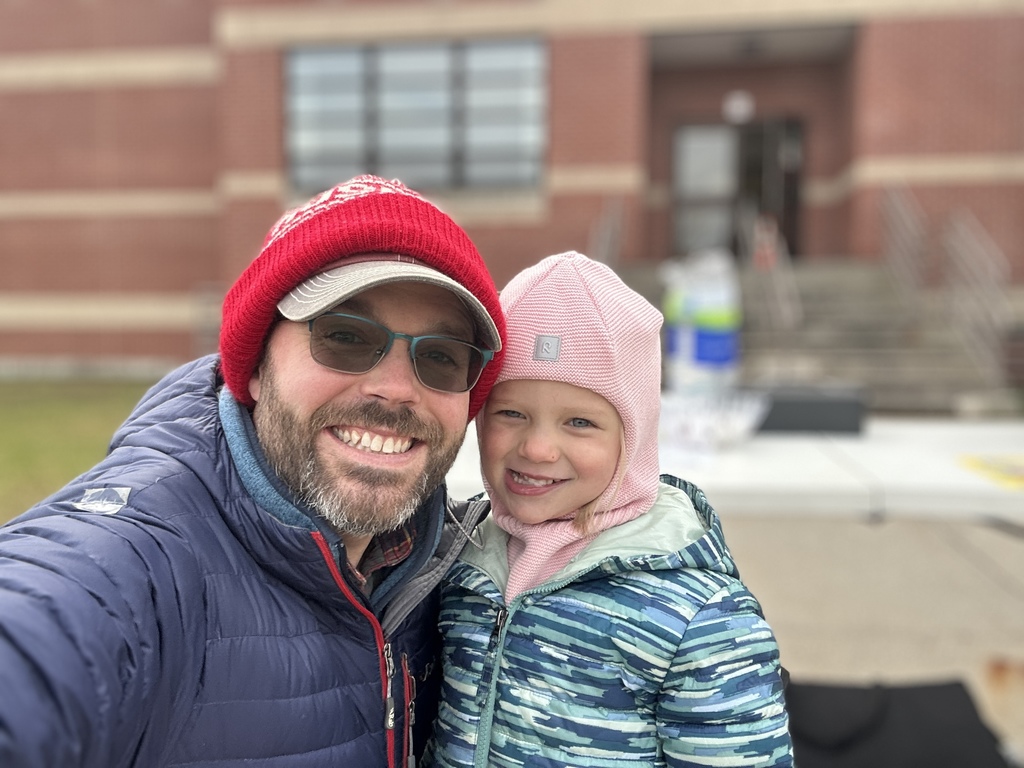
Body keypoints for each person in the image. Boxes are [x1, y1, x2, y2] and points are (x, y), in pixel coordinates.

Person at [0, 175, 506, 767]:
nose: (396, 390)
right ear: (257, 369)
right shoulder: (145, 560)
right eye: (345, 336)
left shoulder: (451, 569)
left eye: (442, 357)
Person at [423, 251, 793, 767]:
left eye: (579, 422)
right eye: (510, 413)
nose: (538, 449)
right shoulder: (452, 558)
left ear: (634, 436)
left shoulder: (697, 618)